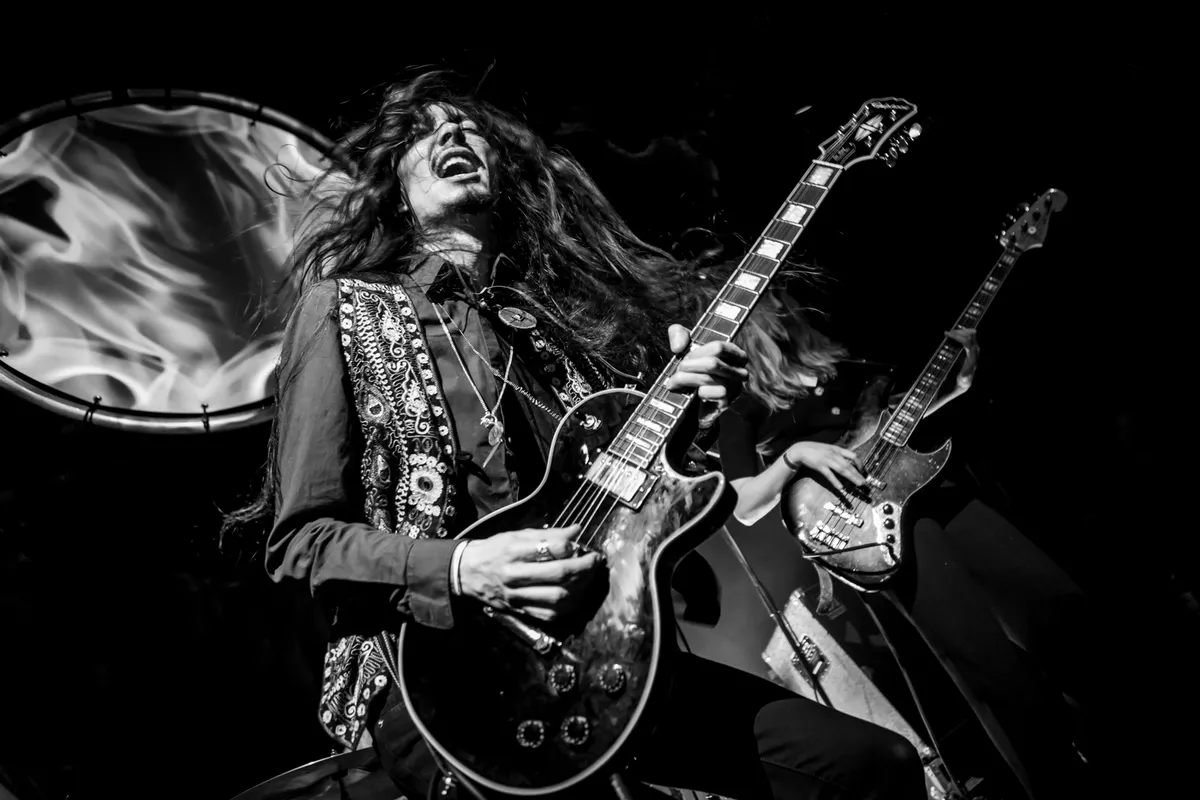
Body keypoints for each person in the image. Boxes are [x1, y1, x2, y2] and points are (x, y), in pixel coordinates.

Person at [225, 72, 927, 800]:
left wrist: (690, 409)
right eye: (421, 131)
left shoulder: (549, 329)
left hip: (607, 651)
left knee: (875, 764)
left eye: (468, 127)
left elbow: (633, 504)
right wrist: (464, 567)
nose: (453, 133)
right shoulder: (343, 309)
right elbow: (302, 542)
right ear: (396, 190)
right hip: (444, 682)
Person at [713, 285, 1099, 800]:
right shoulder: (743, 407)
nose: (783, 303)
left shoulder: (845, 366)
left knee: (1064, 611)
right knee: (995, 672)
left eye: (781, 293)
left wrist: (957, 386)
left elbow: (894, 425)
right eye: (769, 298)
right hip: (874, 526)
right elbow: (744, 503)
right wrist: (795, 455)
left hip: (933, 491)